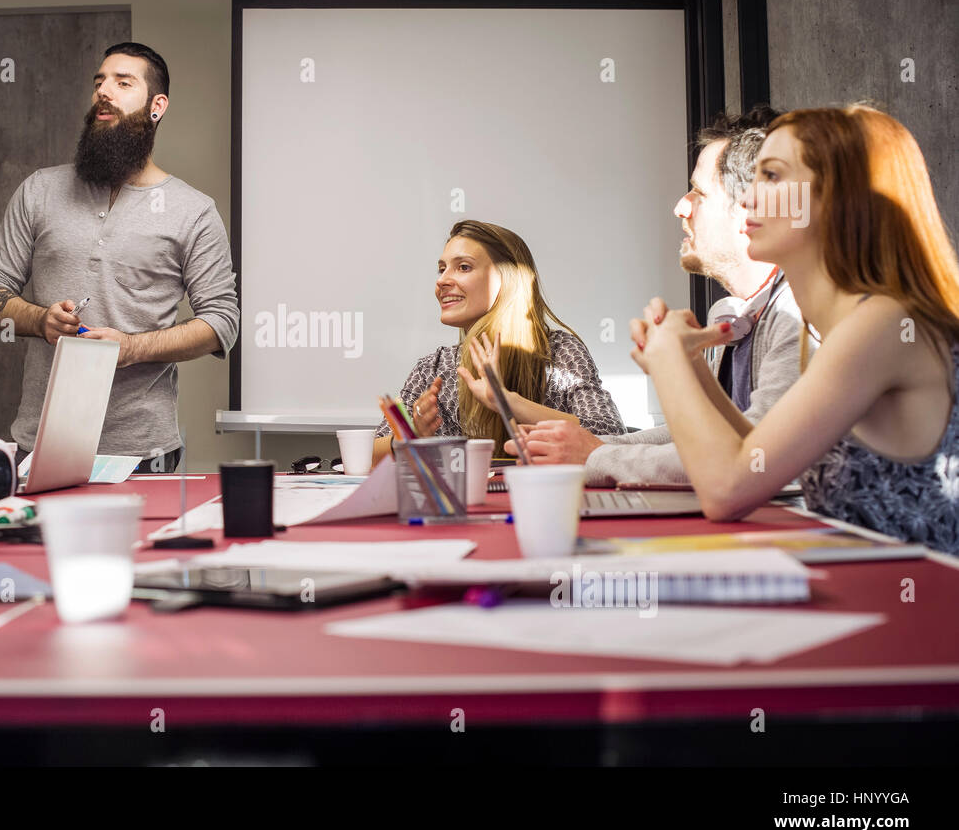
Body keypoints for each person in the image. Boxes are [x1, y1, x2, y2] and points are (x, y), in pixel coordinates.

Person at [630, 104, 959, 551]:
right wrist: (693, 370)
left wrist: (668, 363)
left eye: (772, 176)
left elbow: (727, 491)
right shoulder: (830, 326)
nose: (747, 199)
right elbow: (758, 452)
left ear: (836, 198)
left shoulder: (882, 323)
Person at [0, 43, 238, 472]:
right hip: (40, 442)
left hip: (142, 451)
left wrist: (131, 347)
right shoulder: (39, 190)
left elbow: (222, 322)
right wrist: (40, 320)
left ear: (157, 106)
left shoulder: (194, 211)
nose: (104, 91)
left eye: (122, 82)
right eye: (99, 82)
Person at [512, 107, 810, 484]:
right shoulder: (736, 316)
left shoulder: (796, 315)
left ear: (748, 208)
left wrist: (596, 456)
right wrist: (586, 448)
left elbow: (748, 457)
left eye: (698, 193)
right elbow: (700, 438)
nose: (680, 206)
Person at [373, 220, 623, 465]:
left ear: (508, 278)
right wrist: (410, 435)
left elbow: (607, 437)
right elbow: (368, 455)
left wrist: (506, 401)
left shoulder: (559, 353)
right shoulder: (433, 368)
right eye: (442, 269)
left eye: (463, 267)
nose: (442, 281)